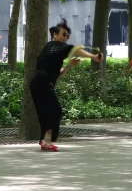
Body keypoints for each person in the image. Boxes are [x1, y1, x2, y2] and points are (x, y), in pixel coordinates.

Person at [30, 19, 104, 152]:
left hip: (36, 81)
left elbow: (58, 74)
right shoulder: (54, 45)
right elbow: (74, 49)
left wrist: (69, 66)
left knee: (45, 112)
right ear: (55, 35)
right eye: (64, 34)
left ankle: (44, 141)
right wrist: (93, 56)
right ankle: (47, 141)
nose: (65, 38)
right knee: (56, 110)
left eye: (67, 36)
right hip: (42, 80)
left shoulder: (50, 48)